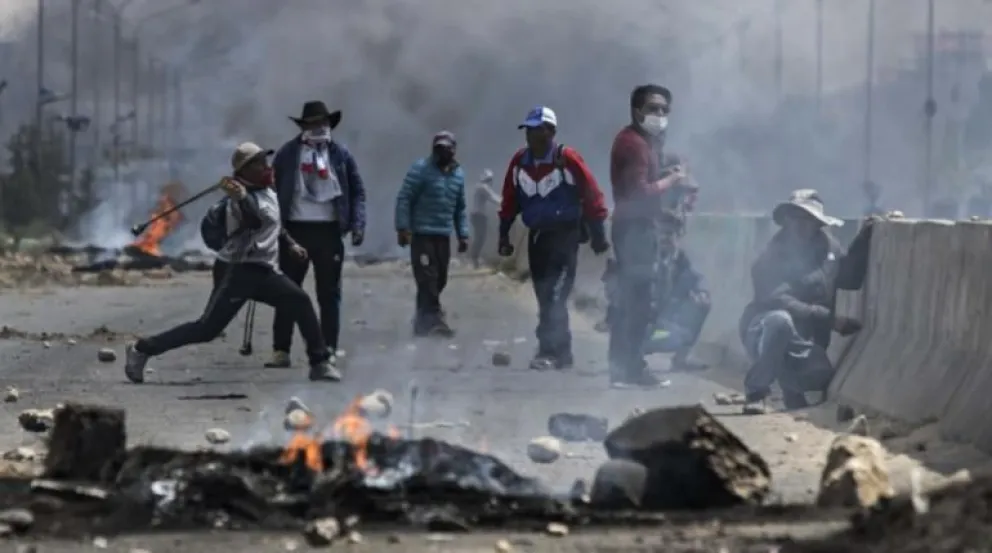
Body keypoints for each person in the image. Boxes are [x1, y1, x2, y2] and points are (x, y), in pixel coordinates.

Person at [123, 142, 339, 383]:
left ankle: (319, 363)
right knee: (206, 329)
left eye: (264, 160)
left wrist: (290, 244)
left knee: (299, 300)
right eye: (257, 163)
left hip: (263, 271)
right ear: (244, 170)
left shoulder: (267, 190)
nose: (265, 166)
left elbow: (273, 222)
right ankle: (142, 349)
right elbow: (254, 221)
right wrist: (242, 198)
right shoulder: (235, 202)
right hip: (237, 272)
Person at [739, 189, 874, 414]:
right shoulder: (773, 254)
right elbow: (778, 299)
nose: (800, 224)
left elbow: (849, 279)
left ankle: (792, 389)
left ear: (816, 223)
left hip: (805, 338)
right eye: (795, 217)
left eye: (807, 219)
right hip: (762, 329)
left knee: (819, 376)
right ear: (787, 221)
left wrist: (864, 238)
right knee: (780, 322)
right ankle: (756, 392)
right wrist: (831, 320)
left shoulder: (828, 247)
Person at [497, 106, 610, 370]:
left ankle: (551, 351)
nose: (532, 135)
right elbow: (510, 200)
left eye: (538, 129)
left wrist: (598, 234)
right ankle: (561, 353)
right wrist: (504, 234)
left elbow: (592, 194)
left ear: (551, 131)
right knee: (544, 296)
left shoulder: (566, 158)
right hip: (537, 239)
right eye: (529, 130)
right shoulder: (519, 162)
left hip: (565, 238)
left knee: (556, 296)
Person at [266, 101, 367, 370]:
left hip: (329, 231)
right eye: (312, 124)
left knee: (329, 294)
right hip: (295, 230)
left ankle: (328, 349)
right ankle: (281, 349)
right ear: (303, 126)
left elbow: (357, 191)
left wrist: (357, 224)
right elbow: (271, 190)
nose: (318, 128)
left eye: (322, 123)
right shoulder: (288, 154)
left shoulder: (341, 155)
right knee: (288, 291)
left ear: (329, 125)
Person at [608, 84, 695, 388]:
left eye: (663, 110)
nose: (659, 115)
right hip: (633, 230)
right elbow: (638, 191)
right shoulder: (633, 144)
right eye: (652, 109)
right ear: (636, 111)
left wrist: (663, 213)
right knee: (637, 300)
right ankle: (628, 368)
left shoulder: (643, 142)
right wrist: (672, 179)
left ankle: (626, 366)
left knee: (636, 299)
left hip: (638, 226)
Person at [394, 130, 469, 337]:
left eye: (446, 148)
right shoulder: (420, 169)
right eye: (438, 148)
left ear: (453, 150)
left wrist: (463, 234)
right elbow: (405, 198)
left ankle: (421, 320)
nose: (442, 152)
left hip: (443, 235)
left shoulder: (458, 174)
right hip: (422, 234)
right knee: (427, 278)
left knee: (440, 279)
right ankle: (435, 320)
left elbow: (460, 207)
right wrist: (403, 228)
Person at [598, 250, 710, 371]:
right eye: (663, 233)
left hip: (662, 323)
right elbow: (612, 288)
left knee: (699, 308)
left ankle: (680, 359)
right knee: (658, 333)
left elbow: (692, 280)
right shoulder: (637, 255)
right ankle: (630, 359)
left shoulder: (678, 261)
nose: (666, 239)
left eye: (671, 234)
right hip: (641, 324)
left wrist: (700, 293)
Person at [468, 169, 501, 268]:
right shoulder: (483, 187)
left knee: (481, 237)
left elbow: (493, 196)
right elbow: (493, 198)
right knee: (480, 238)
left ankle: (475, 258)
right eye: (490, 179)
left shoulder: (480, 187)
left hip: (478, 215)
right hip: (479, 215)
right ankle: (474, 259)